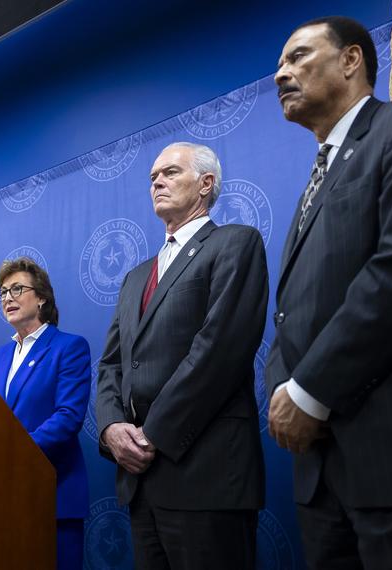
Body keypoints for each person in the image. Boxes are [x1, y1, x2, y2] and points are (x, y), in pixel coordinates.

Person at [267, 16, 392, 568]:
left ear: (351, 60)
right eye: (279, 64)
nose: (281, 73)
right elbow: (293, 310)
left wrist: (307, 392)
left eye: (297, 56)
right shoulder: (314, 180)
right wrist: (282, 391)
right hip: (318, 467)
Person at [97, 142, 268, 569]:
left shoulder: (235, 243)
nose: (157, 181)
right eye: (153, 176)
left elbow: (219, 351)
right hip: (141, 484)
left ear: (206, 183)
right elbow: (112, 365)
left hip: (206, 476)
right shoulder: (136, 277)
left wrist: (150, 435)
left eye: (170, 172)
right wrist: (111, 428)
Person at [0, 257, 91, 570]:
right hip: (5, 496)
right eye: (3, 292)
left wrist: (16, 452)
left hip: (52, 494)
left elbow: (68, 417)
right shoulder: (0, 356)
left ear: (42, 297)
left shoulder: (68, 347)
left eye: (17, 289)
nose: (7, 298)